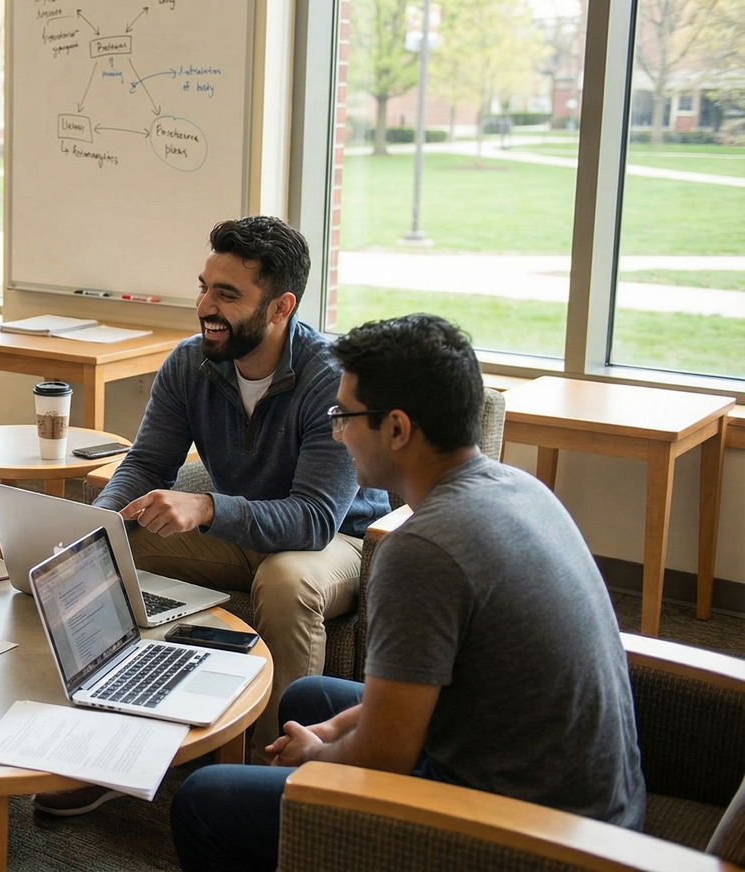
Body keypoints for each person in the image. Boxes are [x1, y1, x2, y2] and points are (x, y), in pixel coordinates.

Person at [169, 314, 645, 871]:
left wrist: (320, 759)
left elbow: (384, 756)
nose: (335, 433)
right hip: (596, 803)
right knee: (310, 700)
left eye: (343, 416)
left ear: (397, 429)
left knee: (203, 799)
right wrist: (331, 733)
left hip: (532, 835)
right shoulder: (516, 485)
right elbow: (420, 693)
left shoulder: (421, 550)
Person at [39, 216, 388, 819]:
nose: (205, 306)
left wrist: (204, 506)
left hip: (337, 539)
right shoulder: (190, 363)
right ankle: (112, 739)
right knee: (110, 550)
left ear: (281, 306)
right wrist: (94, 527)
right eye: (204, 286)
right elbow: (146, 464)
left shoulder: (329, 377)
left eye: (227, 295)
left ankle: (266, 780)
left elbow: (312, 518)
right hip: (236, 529)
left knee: (285, 583)